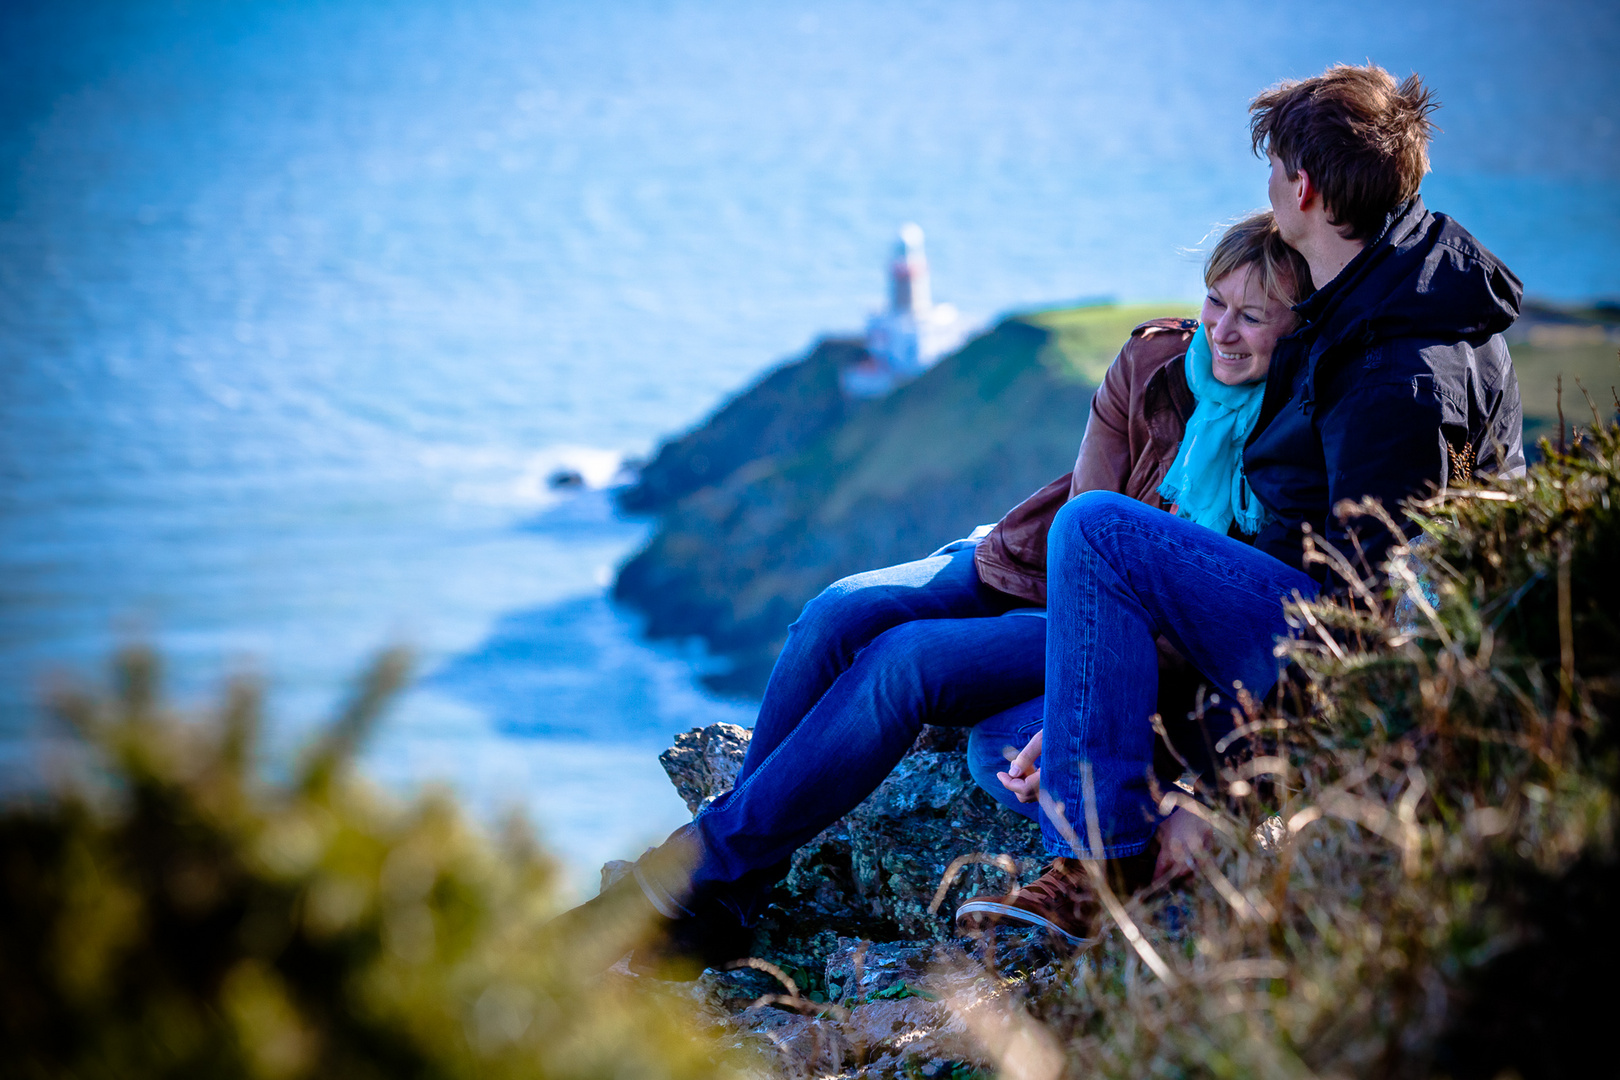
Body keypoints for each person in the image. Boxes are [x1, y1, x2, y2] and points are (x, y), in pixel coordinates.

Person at [551, 210, 1312, 973]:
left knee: (904, 661)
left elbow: (1216, 617)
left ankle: (684, 876)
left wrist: (1090, 708)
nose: (1224, 329)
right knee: (836, 613)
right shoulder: (1154, 361)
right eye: (1217, 301)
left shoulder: (1292, 429)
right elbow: (1081, 516)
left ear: (1296, 326)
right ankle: (731, 896)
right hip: (1037, 566)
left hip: (1126, 636)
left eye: (1253, 315)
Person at [953, 62, 1523, 943]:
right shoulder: (1368, 296)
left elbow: (1358, 637)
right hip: (1286, 629)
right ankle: (1115, 823)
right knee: (1000, 744)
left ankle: (1101, 865)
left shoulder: (1394, 376)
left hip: (1362, 668)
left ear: (1301, 185)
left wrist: (1215, 791)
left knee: (1096, 527)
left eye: (1273, 170)